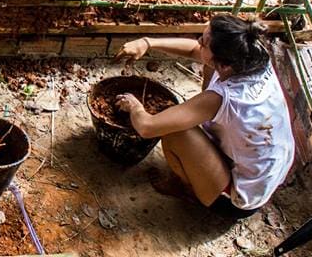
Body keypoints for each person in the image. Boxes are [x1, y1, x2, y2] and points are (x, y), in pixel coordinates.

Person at [114, 15, 294, 219]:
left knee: (176, 131)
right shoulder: (252, 55)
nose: (198, 43)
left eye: (204, 42)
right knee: (205, 68)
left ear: (225, 65)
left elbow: (147, 127)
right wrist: (147, 42)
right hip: (264, 173)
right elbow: (196, 51)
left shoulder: (223, 98)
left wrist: (134, 105)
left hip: (238, 200)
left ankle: (187, 189)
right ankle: (203, 172)